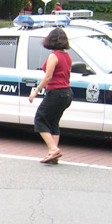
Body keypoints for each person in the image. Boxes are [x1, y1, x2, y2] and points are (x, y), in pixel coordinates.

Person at [29, 27, 73, 164]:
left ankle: (53, 149)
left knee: (40, 119)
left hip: (56, 92)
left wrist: (36, 91)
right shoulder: (67, 56)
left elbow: (48, 76)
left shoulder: (54, 56)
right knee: (53, 122)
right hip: (67, 93)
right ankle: (53, 155)